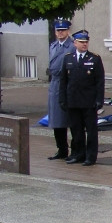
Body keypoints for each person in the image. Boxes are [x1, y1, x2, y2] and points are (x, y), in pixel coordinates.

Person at [59, 30, 105, 166]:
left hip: (89, 102)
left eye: (86, 42)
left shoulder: (94, 59)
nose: (84, 45)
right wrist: (62, 99)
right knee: (76, 130)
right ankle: (78, 154)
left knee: (91, 131)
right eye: (81, 42)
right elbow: (63, 81)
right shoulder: (68, 58)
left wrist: (99, 100)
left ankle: (90, 157)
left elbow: (99, 82)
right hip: (73, 101)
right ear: (75, 43)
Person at [46, 18, 75, 159]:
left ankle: (73, 150)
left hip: (66, 83)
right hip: (55, 84)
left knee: (68, 119)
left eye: (63, 30)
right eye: (58, 30)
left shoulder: (72, 46)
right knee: (56, 119)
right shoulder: (53, 46)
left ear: (68, 31)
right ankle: (61, 149)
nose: (60, 33)